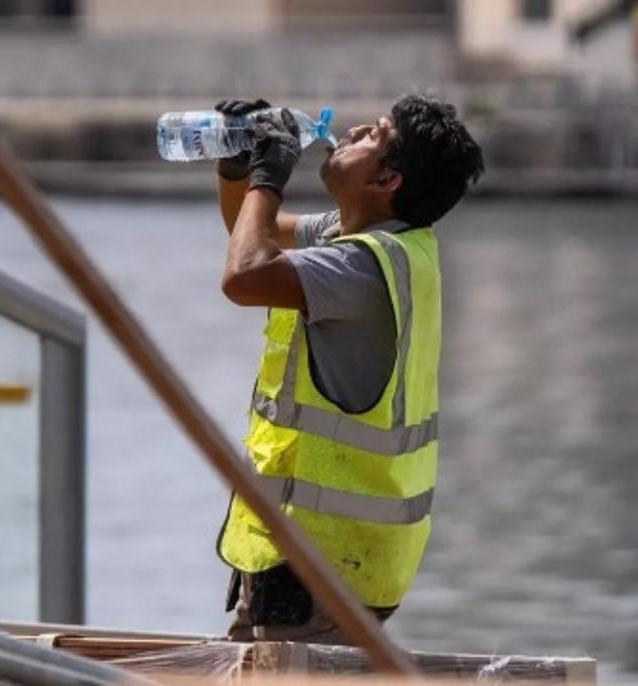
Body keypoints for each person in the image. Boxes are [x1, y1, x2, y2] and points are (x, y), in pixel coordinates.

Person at [213, 94, 484, 644]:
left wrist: (270, 177)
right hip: (340, 560)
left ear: (386, 182)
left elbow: (242, 277)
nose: (355, 130)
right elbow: (253, 233)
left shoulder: (359, 267)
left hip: (319, 566)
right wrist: (239, 170)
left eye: (374, 136)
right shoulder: (377, 240)